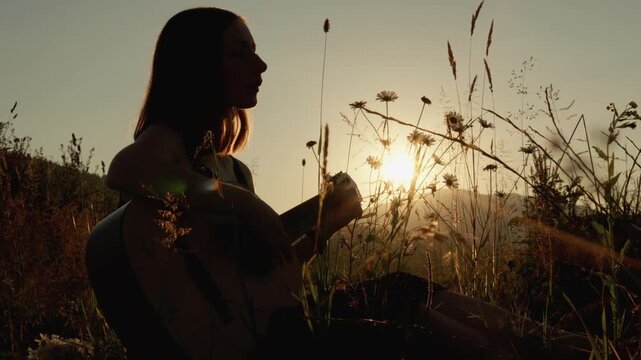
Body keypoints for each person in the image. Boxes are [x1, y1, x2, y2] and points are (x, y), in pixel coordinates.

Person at [95, 6, 589, 360]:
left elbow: (262, 274)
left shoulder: (234, 169)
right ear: (198, 64)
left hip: (269, 321)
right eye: (240, 53)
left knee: (403, 289)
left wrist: (323, 229)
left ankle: (557, 346)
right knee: (400, 315)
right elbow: (126, 170)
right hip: (248, 338)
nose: (261, 65)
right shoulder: (169, 145)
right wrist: (238, 205)